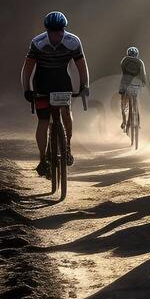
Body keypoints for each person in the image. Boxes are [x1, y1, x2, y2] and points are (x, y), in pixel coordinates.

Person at [21, 11, 89, 176]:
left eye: (60, 30)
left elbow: (82, 66)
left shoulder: (73, 42)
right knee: (43, 121)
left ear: (64, 29)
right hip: (42, 83)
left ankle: (67, 147)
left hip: (61, 81)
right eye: (53, 30)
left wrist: (84, 85)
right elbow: (27, 69)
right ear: (47, 30)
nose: (57, 34)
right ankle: (43, 158)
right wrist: (27, 89)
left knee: (66, 112)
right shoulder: (37, 43)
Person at [119, 46, 146, 129]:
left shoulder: (124, 60)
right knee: (136, 104)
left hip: (125, 84)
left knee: (123, 103)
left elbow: (122, 69)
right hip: (136, 85)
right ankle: (138, 124)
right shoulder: (140, 62)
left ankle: (124, 122)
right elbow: (143, 74)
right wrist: (143, 83)